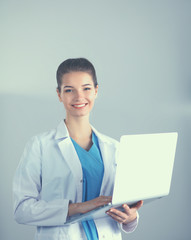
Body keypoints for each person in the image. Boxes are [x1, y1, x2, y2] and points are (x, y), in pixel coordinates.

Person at [13, 58, 143, 240]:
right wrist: (77, 207)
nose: (79, 97)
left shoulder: (114, 148)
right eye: (69, 90)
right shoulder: (39, 146)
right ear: (59, 94)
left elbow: (122, 206)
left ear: (96, 91)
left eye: (86, 88)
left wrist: (131, 217)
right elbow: (22, 210)